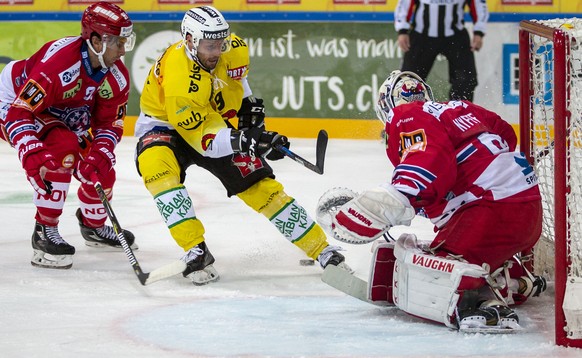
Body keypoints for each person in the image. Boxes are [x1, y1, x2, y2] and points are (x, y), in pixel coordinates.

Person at [134, 5, 350, 285]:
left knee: (261, 186)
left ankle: (321, 249)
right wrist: (245, 140)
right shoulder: (180, 79)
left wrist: (249, 113)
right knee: (159, 172)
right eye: (209, 46)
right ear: (189, 40)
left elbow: (238, 82)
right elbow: (206, 142)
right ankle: (195, 250)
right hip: (166, 127)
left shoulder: (231, 49)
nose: (217, 52)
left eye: (220, 44)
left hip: (211, 120)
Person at [318, 70, 546, 333]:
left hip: (490, 213)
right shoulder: (459, 108)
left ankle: (482, 301)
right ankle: (518, 279)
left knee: (435, 267)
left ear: (386, 106)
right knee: (464, 250)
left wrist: (385, 204)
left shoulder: (405, 115)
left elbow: (429, 162)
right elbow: (505, 135)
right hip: (528, 210)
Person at [0, 2, 137, 269]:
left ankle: (93, 226)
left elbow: (110, 124)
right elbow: (20, 112)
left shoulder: (116, 75)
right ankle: (44, 231)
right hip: (15, 102)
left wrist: (99, 153)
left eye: (125, 43)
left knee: (101, 170)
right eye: (118, 43)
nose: (122, 51)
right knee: (61, 149)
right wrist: (29, 150)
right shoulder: (60, 63)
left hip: (65, 114)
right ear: (96, 40)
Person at [394, 0, 489, 101]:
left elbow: (479, 5)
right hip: (422, 37)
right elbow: (404, 4)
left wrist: (479, 32)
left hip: (456, 36)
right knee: (408, 81)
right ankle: (409, 114)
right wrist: (402, 30)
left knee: (466, 80)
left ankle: (459, 112)